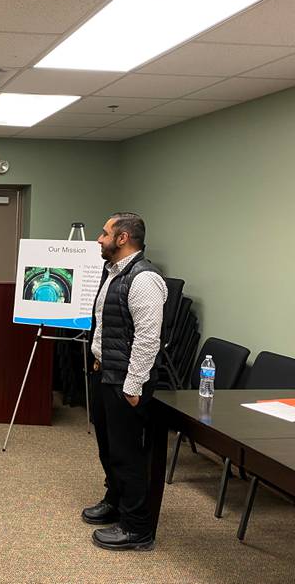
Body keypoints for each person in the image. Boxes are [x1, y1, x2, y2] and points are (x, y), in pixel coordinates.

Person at [83, 212, 168, 550]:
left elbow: (148, 338)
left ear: (123, 238)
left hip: (126, 381)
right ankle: (116, 501)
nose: (99, 239)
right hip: (106, 373)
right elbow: (109, 325)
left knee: (127, 453)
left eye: (105, 233)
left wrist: (133, 386)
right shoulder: (114, 273)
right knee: (108, 447)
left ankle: (136, 528)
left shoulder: (144, 279)